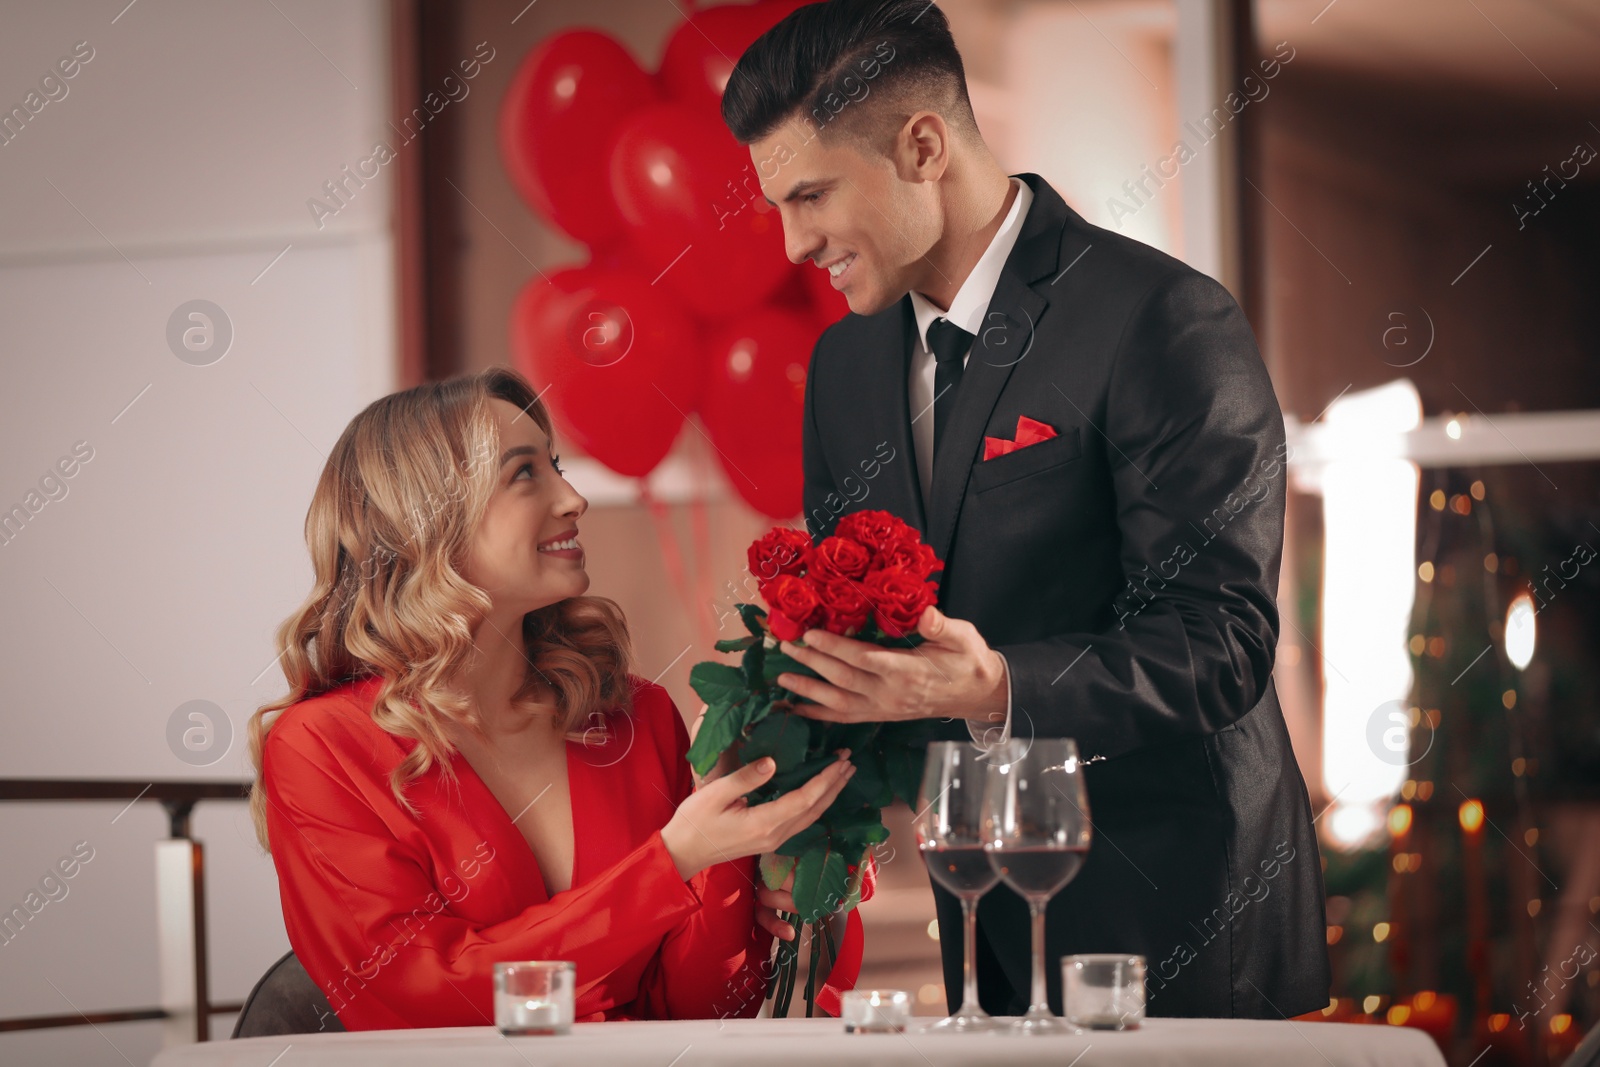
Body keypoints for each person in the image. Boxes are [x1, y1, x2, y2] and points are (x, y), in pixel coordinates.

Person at [720, 0, 1330, 1020]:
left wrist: (1001, 686)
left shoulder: (1161, 319)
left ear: (921, 146)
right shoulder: (842, 368)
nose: (792, 242)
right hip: (978, 912)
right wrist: (796, 816)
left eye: (812, 194)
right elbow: (863, 648)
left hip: (1178, 913)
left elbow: (1221, 642)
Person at [246, 367, 857, 1029]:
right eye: (524, 473)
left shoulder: (635, 716)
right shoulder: (320, 749)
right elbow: (422, 994)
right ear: (425, 519)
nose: (572, 498)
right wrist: (672, 861)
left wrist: (733, 841)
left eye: (556, 465)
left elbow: (689, 1011)